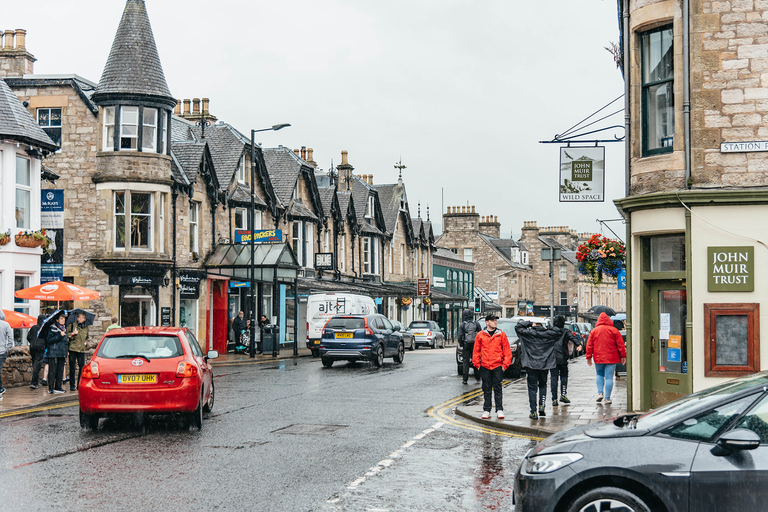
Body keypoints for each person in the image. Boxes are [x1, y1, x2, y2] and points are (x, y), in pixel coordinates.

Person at [515, 319, 560, 419]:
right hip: (544, 364)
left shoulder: (527, 334)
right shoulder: (549, 334)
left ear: (534, 326)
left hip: (531, 365)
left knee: (532, 388)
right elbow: (558, 331)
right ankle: (542, 406)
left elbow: (518, 327)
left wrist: (529, 323)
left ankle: (533, 411)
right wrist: (548, 327)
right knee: (543, 385)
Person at [472, 314, 512, 420]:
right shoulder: (480, 335)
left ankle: (499, 409)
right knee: (487, 388)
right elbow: (476, 351)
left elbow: (507, 352)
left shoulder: (501, 334)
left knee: (498, 388)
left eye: (495, 320)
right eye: (493, 320)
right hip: (485, 366)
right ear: (487, 322)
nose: (495, 322)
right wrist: (478, 365)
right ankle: (486, 410)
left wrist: (504, 366)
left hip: (497, 366)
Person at [586, 312, 627, 405]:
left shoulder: (594, 331)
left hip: (598, 357)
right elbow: (620, 344)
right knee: (609, 377)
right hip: (611, 358)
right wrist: (623, 356)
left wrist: (588, 357)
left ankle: (600, 393)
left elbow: (589, 345)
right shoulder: (614, 330)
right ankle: (607, 398)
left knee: (599, 374)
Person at [550, 316, 582, 407]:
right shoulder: (565, 331)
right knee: (564, 376)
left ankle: (554, 399)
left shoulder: (550, 330)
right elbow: (573, 338)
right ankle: (563, 395)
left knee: (553, 378)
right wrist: (578, 344)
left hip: (553, 357)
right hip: (563, 357)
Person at [457, 308, 482, 384]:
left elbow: (459, 336)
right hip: (475, 344)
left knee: (465, 362)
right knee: (475, 360)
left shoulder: (463, 324)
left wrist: (461, 344)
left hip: (466, 344)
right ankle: (477, 377)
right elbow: (480, 333)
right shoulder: (476, 323)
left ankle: (465, 379)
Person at [46, 312, 69, 394]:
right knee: (52, 371)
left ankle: (58, 387)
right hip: (53, 352)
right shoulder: (52, 328)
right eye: (61, 319)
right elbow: (49, 340)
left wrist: (66, 351)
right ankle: (51, 388)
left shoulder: (64, 328)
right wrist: (59, 335)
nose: (63, 320)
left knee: (60, 370)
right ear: (57, 320)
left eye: (64, 319)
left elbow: (65, 342)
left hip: (62, 352)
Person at [67, 312, 89, 391]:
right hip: (73, 349)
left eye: (83, 318)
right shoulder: (72, 325)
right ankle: (72, 385)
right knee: (72, 368)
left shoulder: (86, 327)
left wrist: (86, 342)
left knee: (81, 368)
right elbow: (67, 335)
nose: (81, 319)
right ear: (77, 318)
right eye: (79, 317)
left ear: (85, 319)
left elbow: (87, 337)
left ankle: (79, 385)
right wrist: (72, 333)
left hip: (81, 350)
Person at [28, 315, 47, 389]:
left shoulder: (33, 327)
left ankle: (35, 381)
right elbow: (47, 339)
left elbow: (28, 337)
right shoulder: (44, 328)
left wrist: (32, 342)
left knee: (34, 364)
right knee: (37, 365)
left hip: (32, 348)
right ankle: (34, 383)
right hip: (40, 348)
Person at [0, 310, 13, 398]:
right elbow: (11, 339)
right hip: (2, 352)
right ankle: (0, 388)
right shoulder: (6, 325)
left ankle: (0, 389)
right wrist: (7, 349)